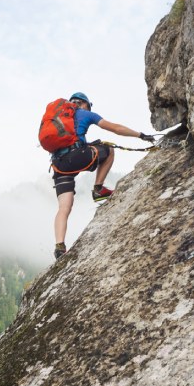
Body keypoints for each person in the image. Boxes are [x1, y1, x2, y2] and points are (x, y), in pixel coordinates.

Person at [51, 92, 154, 260]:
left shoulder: (57, 118)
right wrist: (140, 135)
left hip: (58, 165)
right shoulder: (85, 113)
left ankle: (59, 247)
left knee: (64, 208)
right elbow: (115, 128)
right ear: (85, 104)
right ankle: (98, 189)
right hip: (76, 157)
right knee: (109, 149)